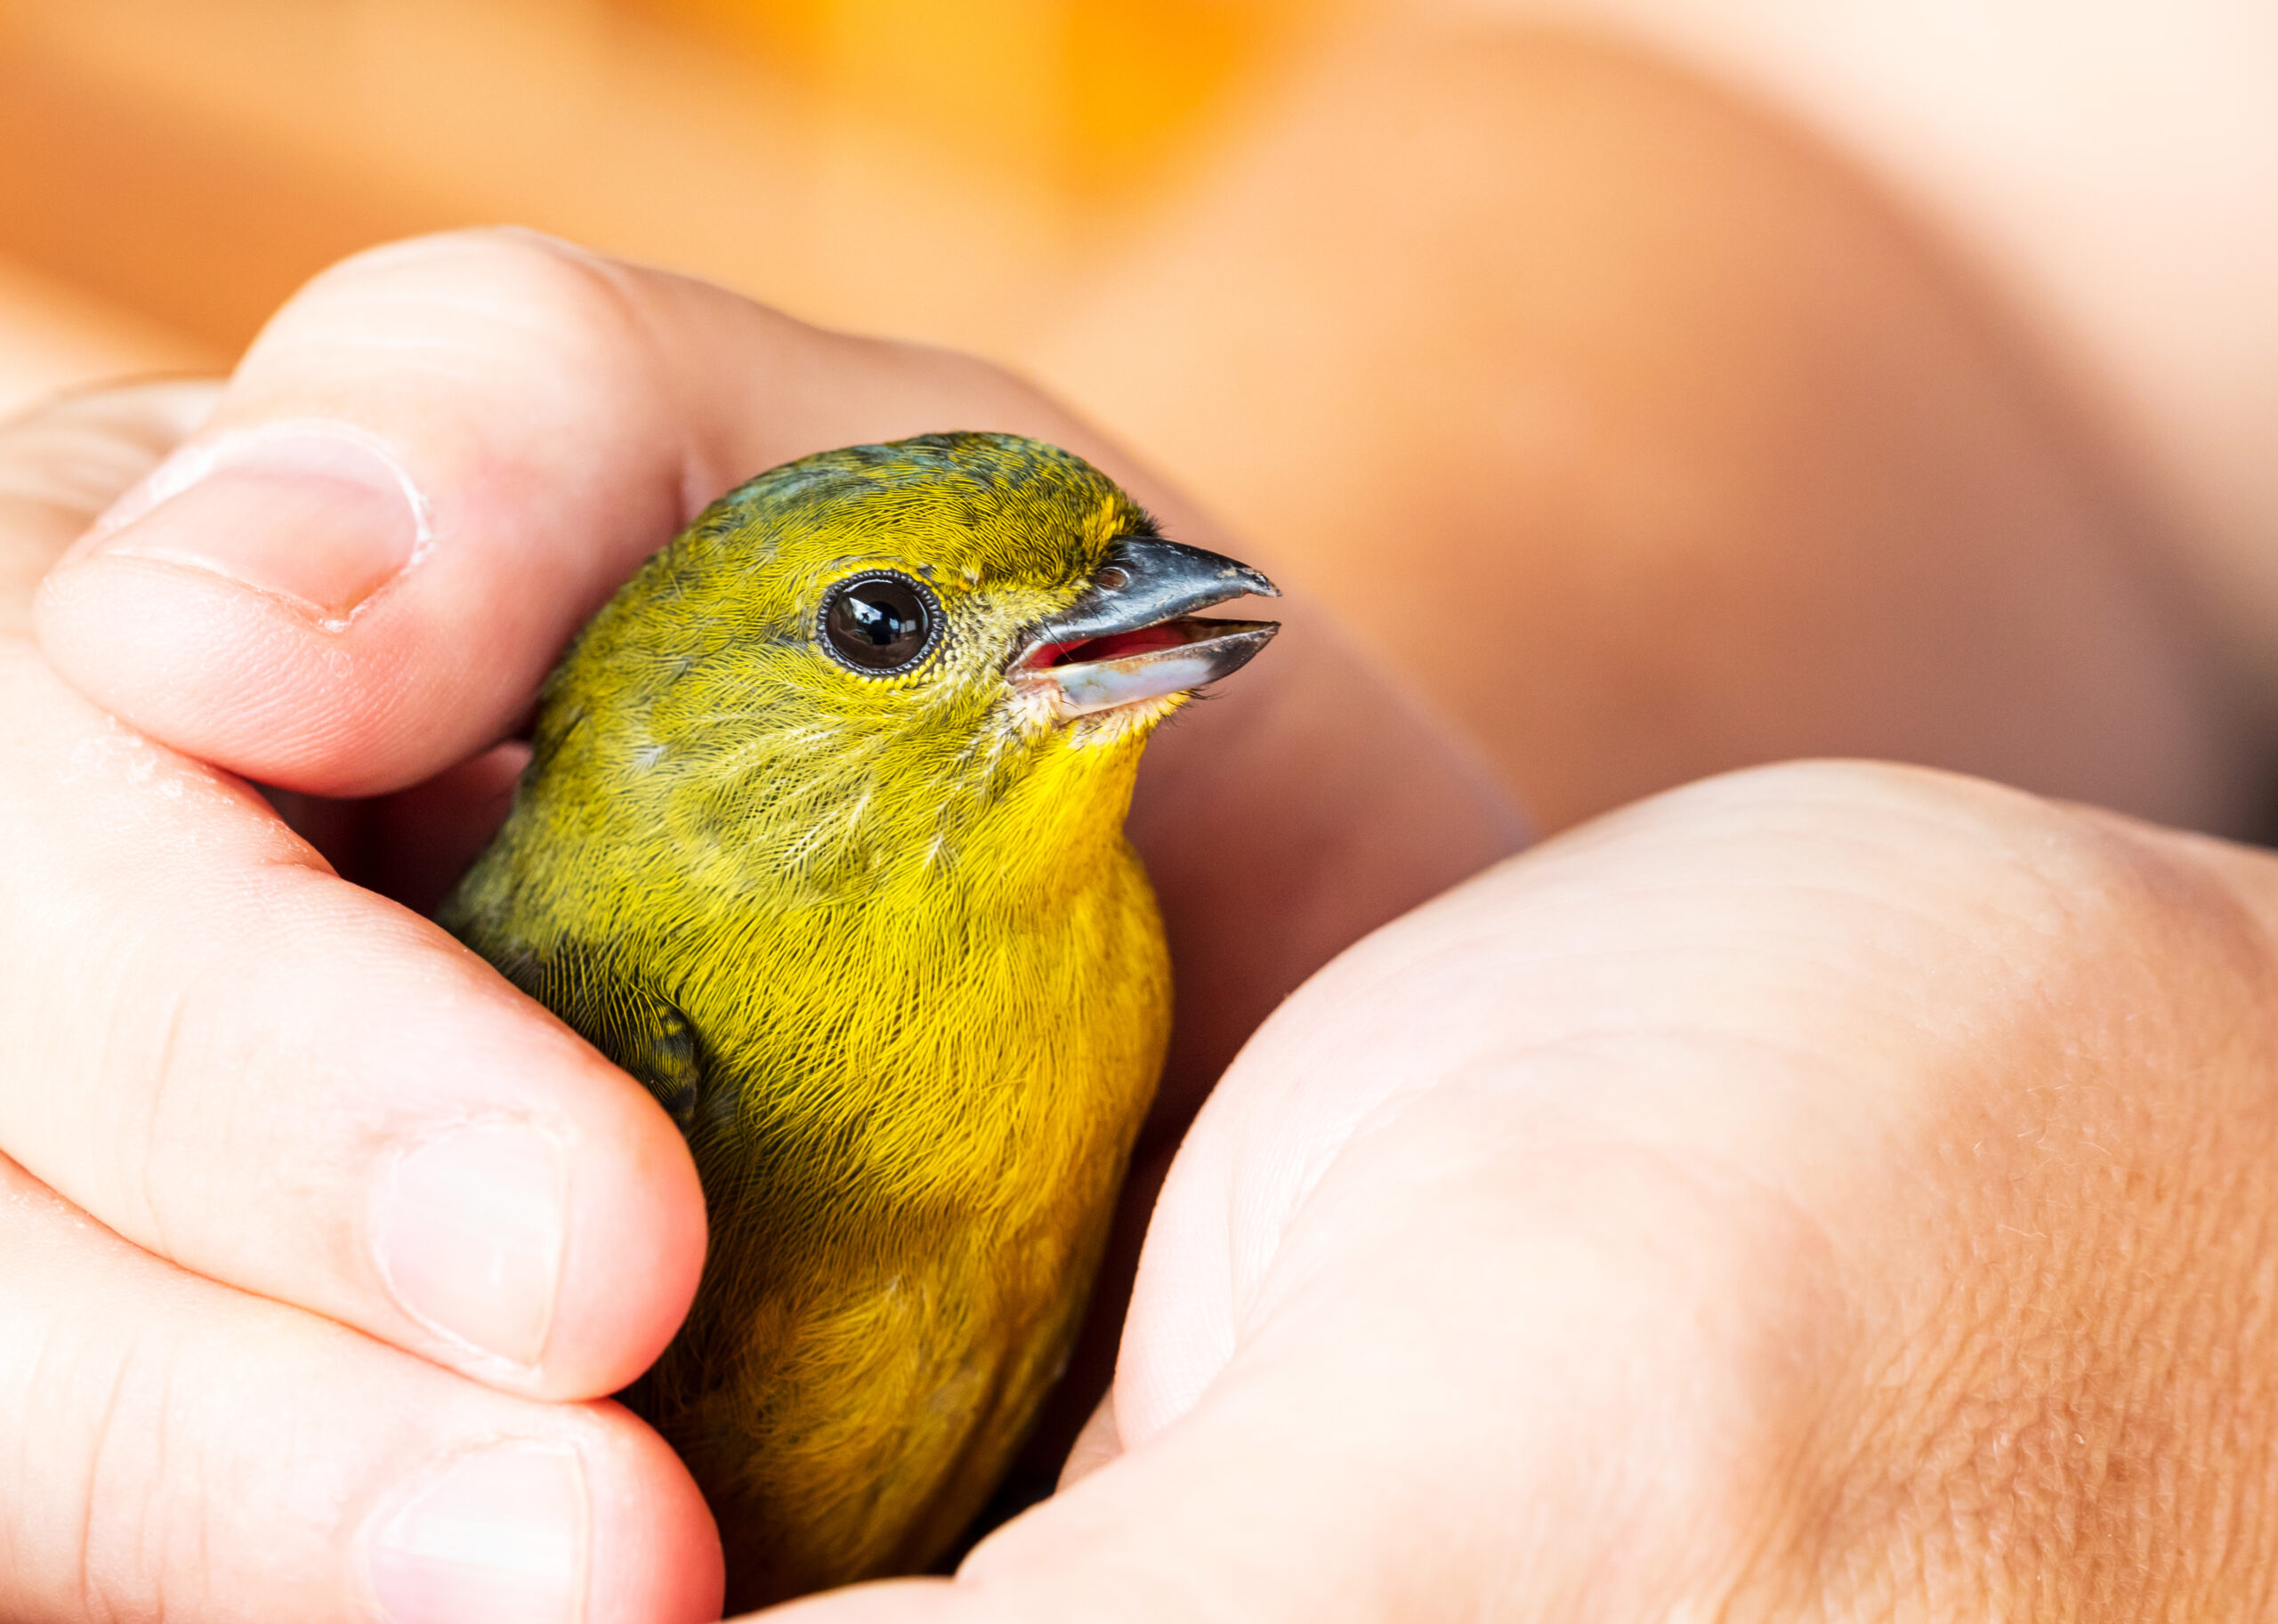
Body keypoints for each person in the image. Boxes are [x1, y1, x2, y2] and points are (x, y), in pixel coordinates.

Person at [4, 8, 2277, 1620]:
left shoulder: (1098, 948)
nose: (1113, 623)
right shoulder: (627, 1012)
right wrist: (1470, 910)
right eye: (887, 628)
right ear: (665, 726)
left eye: (1096, 575)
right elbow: (1980, 169)